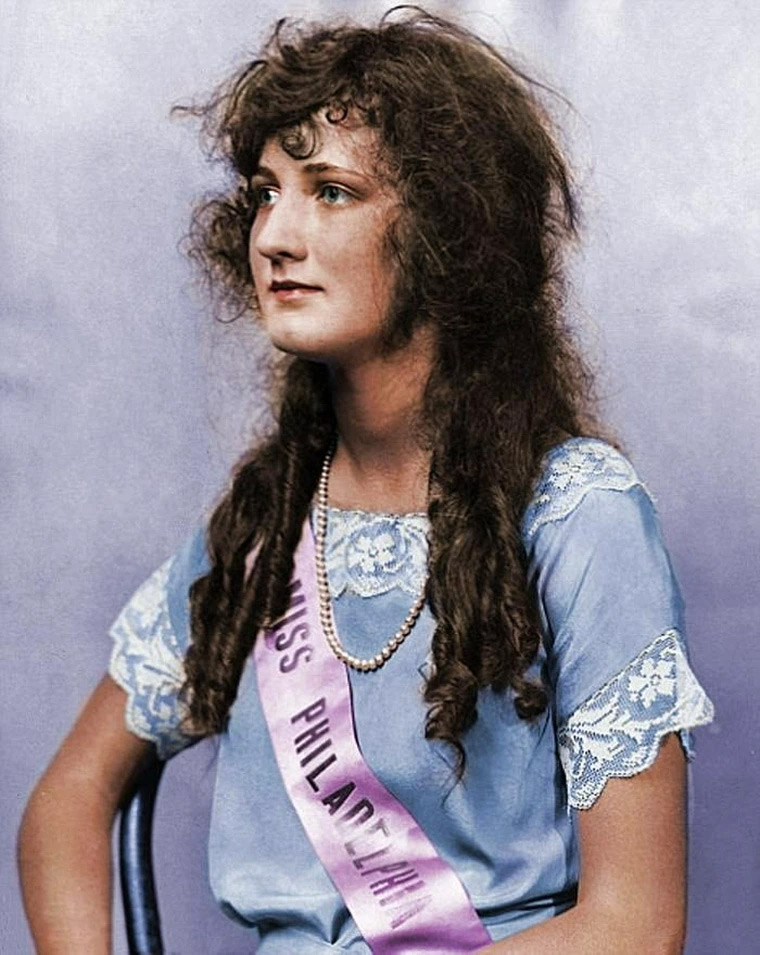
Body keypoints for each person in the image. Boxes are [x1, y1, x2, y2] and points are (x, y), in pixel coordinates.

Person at [18, 8, 714, 953]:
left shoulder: (576, 516)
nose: (275, 234)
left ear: (447, 235)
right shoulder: (268, 527)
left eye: (332, 192)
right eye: (266, 193)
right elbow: (65, 803)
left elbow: (635, 927)